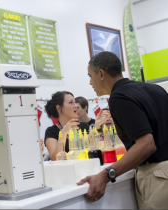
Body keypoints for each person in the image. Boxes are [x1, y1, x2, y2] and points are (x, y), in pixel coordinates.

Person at [77, 51, 168, 209]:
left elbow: (146, 144)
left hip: (158, 177)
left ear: (101, 74)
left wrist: (106, 175)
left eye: (90, 76)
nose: (90, 83)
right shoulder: (155, 89)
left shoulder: (119, 97)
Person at [44, 91, 107, 161]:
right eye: (71, 102)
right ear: (59, 108)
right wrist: (63, 134)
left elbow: (95, 145)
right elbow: (54, 159)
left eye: (75, 102)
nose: (76, 105)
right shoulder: (51, 131)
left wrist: (97, 125)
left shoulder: (83, 125)